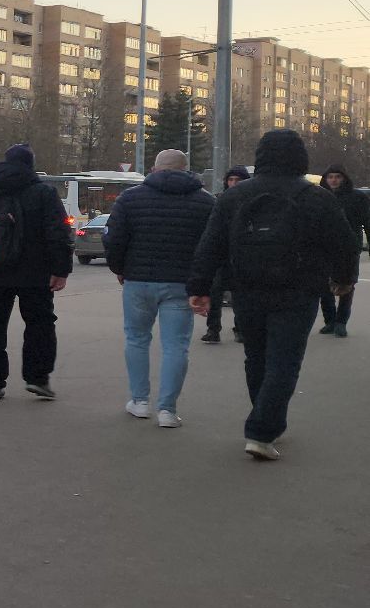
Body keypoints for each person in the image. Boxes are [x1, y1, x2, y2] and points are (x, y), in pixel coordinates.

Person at [189, 131, 358, 460]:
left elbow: (210, 244)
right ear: (300, 157)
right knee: (284, 360)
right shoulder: (316, 197)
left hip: (247, 287)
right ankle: (262, 429)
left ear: (261, 155)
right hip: (299, 291)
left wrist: (199, 287)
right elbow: (344, 244)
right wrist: (343, 280)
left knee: (256, 357)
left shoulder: (235, 196)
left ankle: (265, 418)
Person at [103, 148, 214, 429]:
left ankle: (139, 402)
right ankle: (167, 410)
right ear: (186, 170)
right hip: (180, 283)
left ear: (154, 169)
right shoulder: (205, 202)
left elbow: (114, 239)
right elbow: (211, 248)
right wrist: (203, 284)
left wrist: (120, 269)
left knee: (137, 339)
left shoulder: (130, 198)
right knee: (176, 346)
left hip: (138, 280)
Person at [0, 143, 71, 402]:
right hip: (35, 272)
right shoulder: (43, 193)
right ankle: (37, 378)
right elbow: (57, 233)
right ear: (30, 164)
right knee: (39, 324)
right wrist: (60, 269)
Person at [318, 166, 369, 338]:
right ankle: (330, 321)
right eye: (330, 177)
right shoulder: (319, 197)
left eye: (337, 177)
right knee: (324, 286)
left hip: (349, 248)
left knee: (347, 285)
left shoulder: (357, 197)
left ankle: (341, 322)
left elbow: (367, 221)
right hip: (324, 248)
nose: (333, 180)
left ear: (344, 178)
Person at [202, 165, 250, 343]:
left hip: (242, 254)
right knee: (215, 293)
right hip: (221, 254)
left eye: (238, 180)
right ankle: (213, 329)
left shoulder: (251, 200)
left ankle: (241, 328)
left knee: (240, 295)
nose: (234, 183)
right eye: (231, 180)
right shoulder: (219, 200)